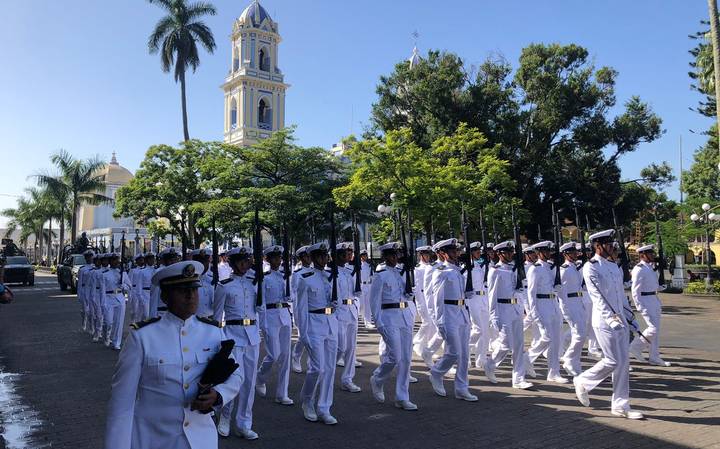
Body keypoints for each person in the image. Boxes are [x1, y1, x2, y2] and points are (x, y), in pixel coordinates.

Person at [104, 260, 241, 449]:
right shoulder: (142, 337)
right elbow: (122, 404)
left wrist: (218, 396)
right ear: (165, 296)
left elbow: (236, 374)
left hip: (201, 440)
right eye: (182, 291)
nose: (190, 296)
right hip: (154, 439)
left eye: (194, 289)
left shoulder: (213, 332)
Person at [573, 230, 644, 420]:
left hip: (620, 318)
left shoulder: (614, 266)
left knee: (623, 363)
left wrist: (630, 318)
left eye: (611, 243)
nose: (612, 246)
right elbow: (598, 297)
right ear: (597, 246)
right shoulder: (591, 267)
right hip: (604, 321)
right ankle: (583, 380)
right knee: (613, 361)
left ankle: (621, 405)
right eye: (608, 243)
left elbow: (621, 296)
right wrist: (612, 319)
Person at [212, 246, 261, 439]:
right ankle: (224, 417)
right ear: (231, 263)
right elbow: (217, 318)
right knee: (231, 380)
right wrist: (219, 341)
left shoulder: (254, 283)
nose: (243, 264)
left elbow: (260, 310)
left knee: (249, 382)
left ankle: (244, 423)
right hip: (232, 335)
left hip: (252, 336)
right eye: (239, 260)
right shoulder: (224, 285)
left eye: (246, 260)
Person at [369, 242, 418, 411]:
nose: (394, 258)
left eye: (396, 255)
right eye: (391, 255)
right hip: (388, 317)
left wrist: (410, 294)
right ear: (384, 256)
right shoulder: (380, 275)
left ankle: (402, 397)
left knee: (406, 359)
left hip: (405, 317)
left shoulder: (401, 273)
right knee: (395, 356)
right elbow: (374, 301)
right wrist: (378, 323)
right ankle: (378, 378)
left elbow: (407, 295)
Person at [427, 238, 478, 402]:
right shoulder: (440, 272)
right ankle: (437, 372)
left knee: (464, 355)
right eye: (453, 251)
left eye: (457, 251)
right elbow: (437, 300)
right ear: (443, 253)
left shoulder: (458, 271)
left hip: (462, 313)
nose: (457, 254)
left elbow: (464, 294)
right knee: (454, 352)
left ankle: (462, 388)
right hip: (448, 315)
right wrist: (439, 322)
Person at [295, 242, 339, 425]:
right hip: (313, 325)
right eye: (319, 256)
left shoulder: (331, 276)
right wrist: (302, 333)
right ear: (312, 258)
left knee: (329, 368)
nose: (323, 259)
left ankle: (324, 407)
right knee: (317, 368)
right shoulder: (304, 277)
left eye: (325, 255)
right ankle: (307, 400)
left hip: (331, 323)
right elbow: (299, 308)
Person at [484, 241, 533, 390]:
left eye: (511, 252)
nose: (511, 255)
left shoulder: (515, 269)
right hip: (502, 309)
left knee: (518, 345)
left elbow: (522, 290)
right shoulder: (495, 271)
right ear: (499, 254)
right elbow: (491, 295)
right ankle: (491, 363)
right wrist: (494, 316)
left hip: (515, 308)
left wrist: (524, 308)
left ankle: (518, 379)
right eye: (507, 252)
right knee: (505, 343)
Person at [524, 241, 568, 384]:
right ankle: (527, 358)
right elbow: (531, 293)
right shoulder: (535, 269)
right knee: (547, 337)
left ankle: (553, 373)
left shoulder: (551, 267)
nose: (549, 253)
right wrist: (533, 312)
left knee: (555, 340)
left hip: (553, 303)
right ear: (538, 253)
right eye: (545, 251)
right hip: (541, 304)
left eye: (549, 251)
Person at [256, 245, 294, 405]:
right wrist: (262, 324)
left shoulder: (286, 276)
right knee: (274, 354)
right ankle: (260, 377)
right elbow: (261, 302)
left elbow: (292, 297)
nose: (277, 260)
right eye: (274, 257)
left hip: (284, 315)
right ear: (267, 259)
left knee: (285, 356)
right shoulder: (264, 278)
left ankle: (282, 393)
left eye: (279, 257)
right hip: (270, 317)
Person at [629, 244, 671, 367]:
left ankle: (654, 356)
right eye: (650, 253)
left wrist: (660, 287)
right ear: (643, 255)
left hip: (654, 299)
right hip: (645, 301)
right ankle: (635, 346)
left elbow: (652, 285)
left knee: (656, 331)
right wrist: (639, 306)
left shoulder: (650, 267)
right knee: (653, 329)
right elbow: (635, 290)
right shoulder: (639, 269)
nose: (653, 255)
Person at [333, 242, 362, 393]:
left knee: (351, 348)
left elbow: (357, 291)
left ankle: (347, 379)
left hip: (351, 310)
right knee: (340, 347)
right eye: (346, 253)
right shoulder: (330, 272)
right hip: (338, 311)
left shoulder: (350, 270)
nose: (349, 255)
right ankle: (326, 371)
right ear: (338, 255)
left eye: (350, 253)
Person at [558, 242, 587, 377]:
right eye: (573, 253)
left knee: (580, 334)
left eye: (575, 252)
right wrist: (566, 307)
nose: (576, 254)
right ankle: (569, 359)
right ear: (566, 254)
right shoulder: (563, 270)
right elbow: (560, 292)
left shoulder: (575, 268)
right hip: (570, 304)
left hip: (578, 302)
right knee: (579, 334)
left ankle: (575, 364)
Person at [465, 241, 490, 369]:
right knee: (477, 329)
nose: (479, 253)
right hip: (472, 299)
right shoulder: (466, 266)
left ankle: (481, 359)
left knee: (485, 331)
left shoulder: (479, 265)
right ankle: (466, 354)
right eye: (476, 251)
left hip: (483, 298)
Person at [100, 253, 132, 350]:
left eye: (117, 260)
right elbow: (102, 291)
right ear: (110, 262)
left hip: (119, 298)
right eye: (113, 260)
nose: (116, 262)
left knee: (119, 322)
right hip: (108, 298)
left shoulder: (122, 273)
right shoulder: (104, 274)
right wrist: (103, 303)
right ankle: (106, 336)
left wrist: (124, 287)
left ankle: (116, 342)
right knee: (108, 322)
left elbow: (129, 286)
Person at [412, 246, 437, 358]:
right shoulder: (417, 269)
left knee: (432, 323)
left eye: (428, 254)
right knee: (427, 322)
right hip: (422, 298)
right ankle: (417, 341)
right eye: (425, 255)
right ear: (421, 255)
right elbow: (417, 288)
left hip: (431, 297)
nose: (428, 257)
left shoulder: (432, 267)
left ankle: (426, 346)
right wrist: (420, 302)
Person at [290, 245, 311, 373]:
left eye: (310, 256)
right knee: (303, 336)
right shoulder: (297, 274)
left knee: (313, 338)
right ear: (301, 258)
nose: (309, 259)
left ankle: (311, 363)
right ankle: (296, 356)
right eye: (306, 256)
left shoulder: (317, 271)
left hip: (314, 309)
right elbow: (294, 294)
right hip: (301, 308)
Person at [150, 248, 181, 317]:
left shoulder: (179, 272)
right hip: (162, 311)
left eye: (175, 259)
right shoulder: (159, 272)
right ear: (164, 261)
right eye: (170, 260)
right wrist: (153, 315)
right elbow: (154, 295)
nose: (173, 262)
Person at [191, 249, 214, 319]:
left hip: (210, 321)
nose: (203, 265)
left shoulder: (212, 279)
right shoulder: (188, 280)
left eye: (205, 262)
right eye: (200, 262)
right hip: (193, 321)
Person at [77, 250, 96, 333]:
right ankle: (83, 322)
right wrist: (79, 294)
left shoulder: (96, 268)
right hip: (85, 290)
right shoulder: (82, 269)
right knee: (85, 310)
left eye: (90, 257)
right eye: (87, 257)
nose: (89, 259)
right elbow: (80, 283)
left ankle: (92, 328)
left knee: (92, 311)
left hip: (93, 290)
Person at [358, 249, 375, 329]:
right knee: (361, 305)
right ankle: (359, 318)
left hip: (368, 285)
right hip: (361, 285)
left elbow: (372, 277)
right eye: (363, 255)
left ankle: (368, 322)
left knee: (368, 305)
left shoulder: (369, 266)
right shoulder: (358, 266)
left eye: (365, 255)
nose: (364, 257)